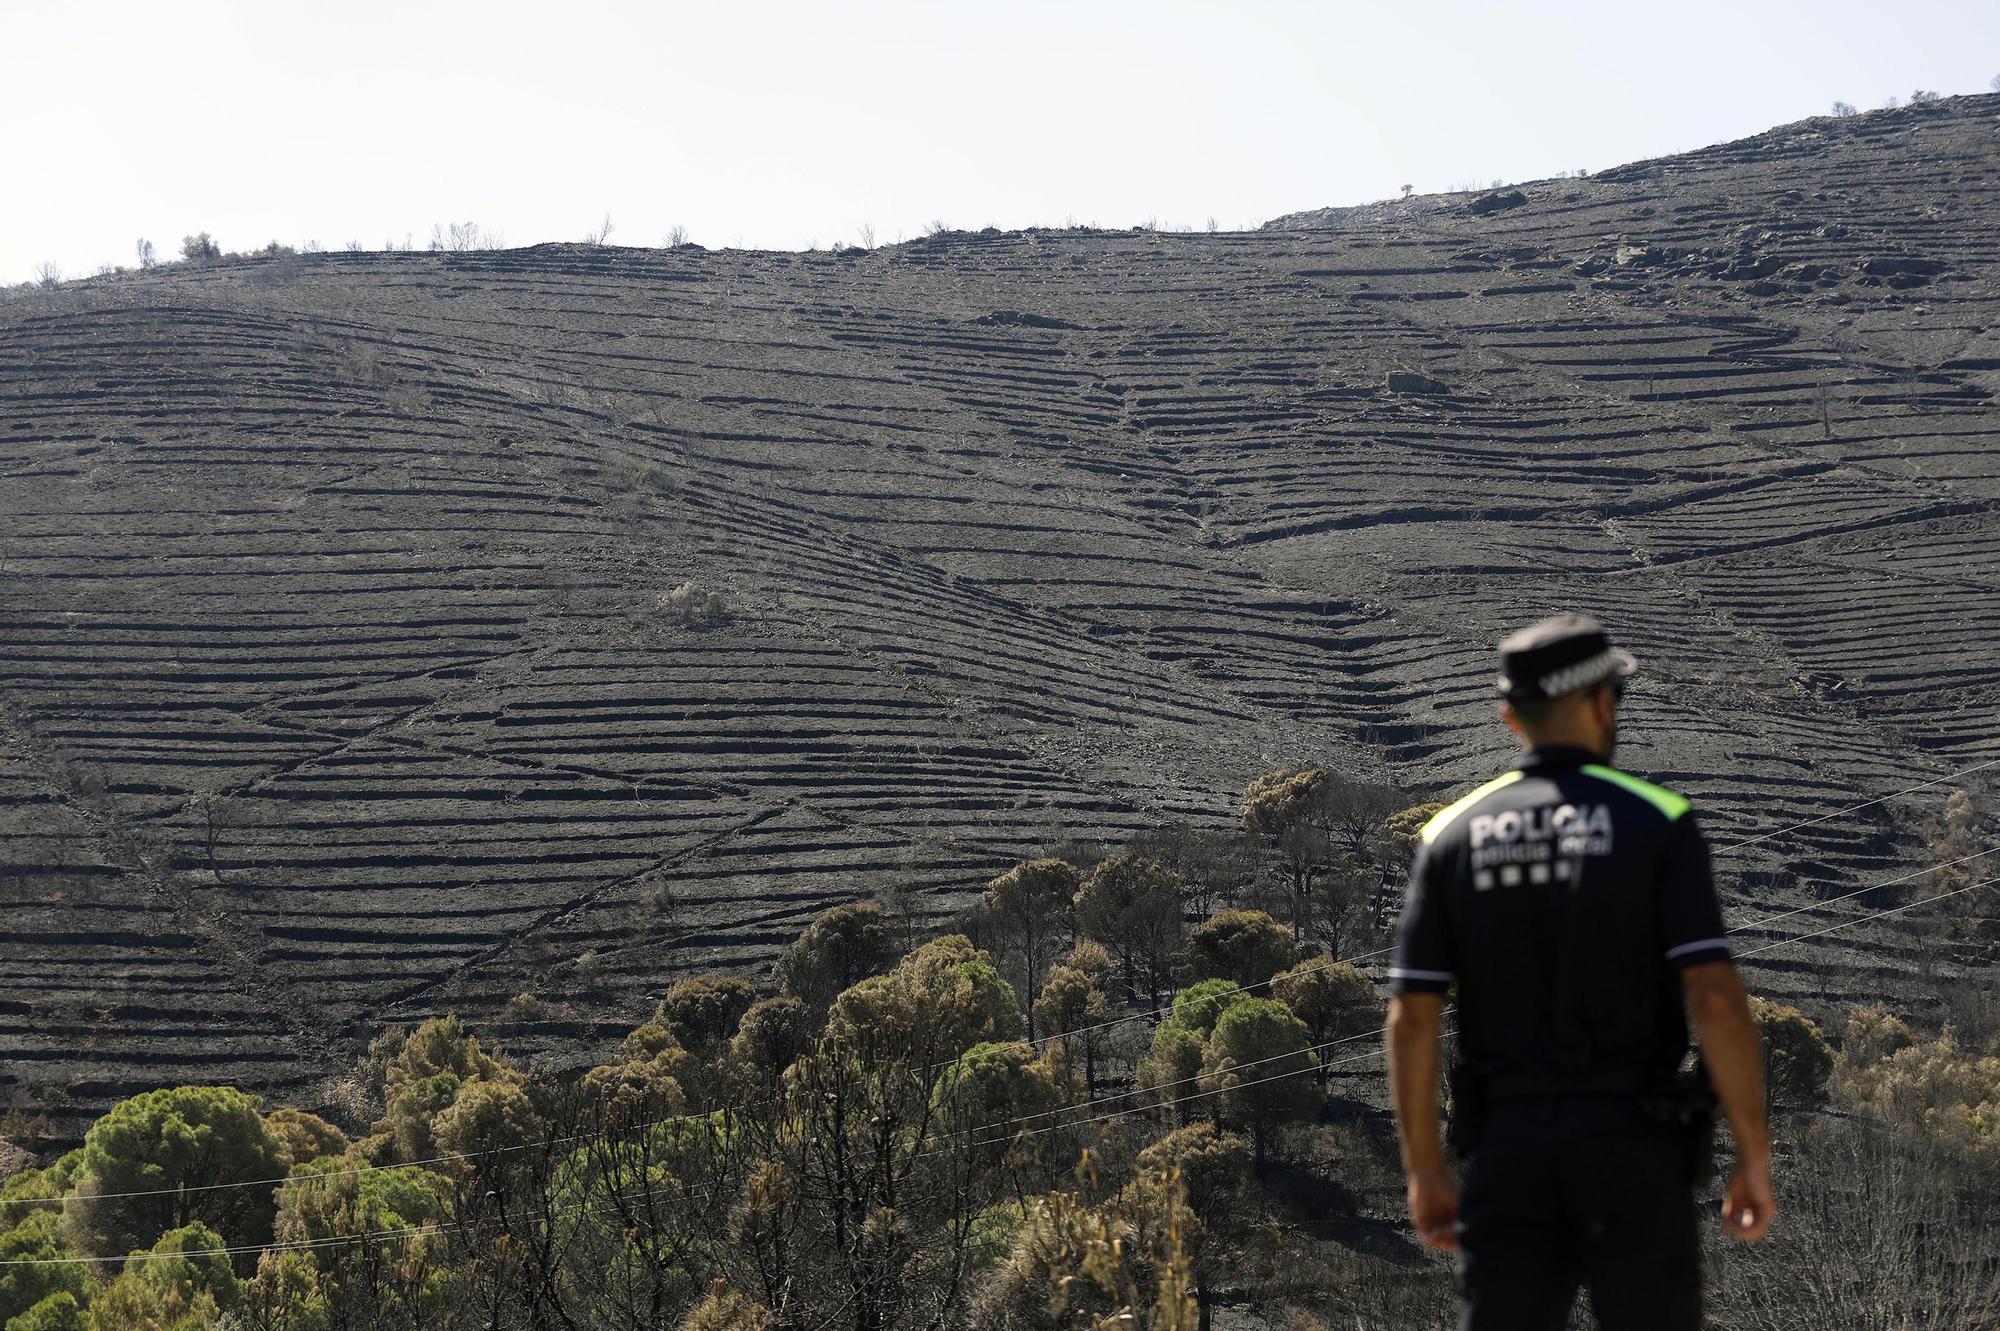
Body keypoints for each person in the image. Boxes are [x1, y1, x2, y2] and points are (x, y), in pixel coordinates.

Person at [1385, 613, 1775, 1331]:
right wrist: (1752, 1152)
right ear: (1602, 703)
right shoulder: (1657, 820)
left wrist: (1424, 1168)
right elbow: (1715, 997)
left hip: (1508, 1152)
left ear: (1510, 718)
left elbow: (1412, 1016)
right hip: (1634, 1151)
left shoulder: (1449, 835)